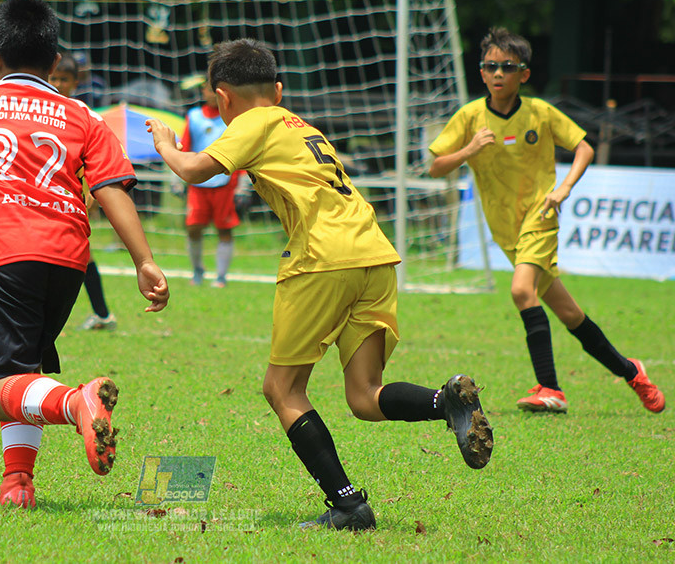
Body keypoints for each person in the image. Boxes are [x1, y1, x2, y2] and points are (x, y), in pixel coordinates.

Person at [146, 38, 493, 531]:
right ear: (278, 89)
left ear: (222, 98)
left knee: (282, 389)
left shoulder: (252, 120)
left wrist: (163, 143)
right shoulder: (300, 124)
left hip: (322, 259)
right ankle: (447, 401)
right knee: (364, 396)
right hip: (374, 253)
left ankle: (349, 507)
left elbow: (197, 172)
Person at [0, 0, 169, 509]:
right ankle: (17, 484)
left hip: (4, 255)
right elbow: (111, 190)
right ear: (56, 61)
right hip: (68, 262)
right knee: (25, 371)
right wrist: (143, 260)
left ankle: (76, 402)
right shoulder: (82, 115)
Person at [428, 27, 665, 415]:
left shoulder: (540, 112)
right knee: (569, 314)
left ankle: (550, 388)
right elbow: (436, 166)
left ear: (524, 73)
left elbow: (584, 147)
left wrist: (564, 188)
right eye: (490, 66)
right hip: (504, 230)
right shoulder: (470, 117)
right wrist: (469, 149)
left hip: (539, 216)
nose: (498, 73)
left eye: (507, 66)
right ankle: (632, 371)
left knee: (522, 291)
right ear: (482, 72)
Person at [50, 53, 117, 331]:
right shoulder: (44, 108)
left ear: (76, 82)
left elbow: (92, 161)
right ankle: (101, 314)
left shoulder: (81, 114)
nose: (58, 83)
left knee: (80, 255)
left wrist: (92, 196)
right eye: (53, 78)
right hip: (49, 194)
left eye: (63, 79)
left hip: (74, 196)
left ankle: (101, 314)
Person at [181, 77, 239, 287]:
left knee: (224, 229)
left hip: (224, 182)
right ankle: (197, 271)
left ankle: (221, 276)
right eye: (208, 89)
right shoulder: (194, 116)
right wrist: (179, 177)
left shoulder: (232, 118)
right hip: (198, 184)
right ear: (203, 91)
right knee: (194, 227)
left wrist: (241, 183)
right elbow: (185, 147)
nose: (212, 94)